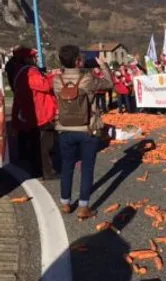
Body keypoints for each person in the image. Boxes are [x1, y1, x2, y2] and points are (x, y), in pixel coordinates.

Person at [54, 45, 113, 219]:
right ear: (78, 61)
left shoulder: (57, 80)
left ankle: (65, 203)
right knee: (87, 168)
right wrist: (103, 66)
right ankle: (83, 207)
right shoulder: (87, 78)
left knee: (67, 166)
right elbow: (110, 84)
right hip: (87, 129)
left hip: (65, 128)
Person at [12, 47, 58, 179]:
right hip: (41, 112)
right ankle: (47, 172)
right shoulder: (30, 72)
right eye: (34, 57)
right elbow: (44, 85)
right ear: (27, 59)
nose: (36, 59)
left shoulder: (19, 72)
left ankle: (38, 170)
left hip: (31, 113)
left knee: (36, 143)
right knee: (45, 144)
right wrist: (54, 75)